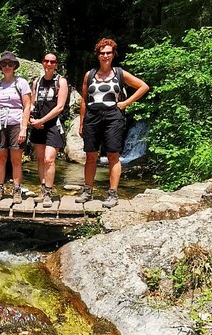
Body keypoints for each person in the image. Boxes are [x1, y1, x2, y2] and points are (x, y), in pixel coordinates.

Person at [76, 38, 149, 208]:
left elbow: (143, 86)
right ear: (98, 55)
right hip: (92, 116)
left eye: (108, 52)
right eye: (102, 53)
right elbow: (84, 100)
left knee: (113, 155)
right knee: (91, 156)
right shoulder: (90, 75)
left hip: (113, 117)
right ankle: (87, 190)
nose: (105, 56)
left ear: (113, 54)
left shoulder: (119, 73)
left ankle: (112, 194)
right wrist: (81, 123)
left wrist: (125, 103)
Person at [0, 51, 31, 203]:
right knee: (0, 157)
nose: (7, 66)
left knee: (16, 158)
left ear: (14, 66)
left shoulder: (21, 83)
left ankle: (17, 190)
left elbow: (27, 106)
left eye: (10, 64)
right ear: (0, 67)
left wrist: (24, 128)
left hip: (16, 123)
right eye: (4, 64)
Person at [29, 52, 69, 208]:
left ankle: (48, 192)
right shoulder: (37, 82)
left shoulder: (61, 82)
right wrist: (32, 119)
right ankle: (42, 189)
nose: (49, 64)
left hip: (53, 125)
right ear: (42, 63)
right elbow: (32, 103)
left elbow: (60, 107)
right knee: (40, 159)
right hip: (38, 125)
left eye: (52, 62)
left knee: (49, 159)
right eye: (46, 61)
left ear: (56, 64)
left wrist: (41, 121)